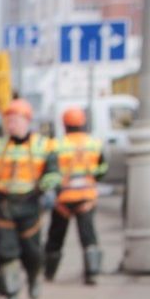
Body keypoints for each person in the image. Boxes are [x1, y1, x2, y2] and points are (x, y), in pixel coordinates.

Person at [0, 99, 61, 299]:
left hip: (29, 205)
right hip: (3, 206)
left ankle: (35, 277)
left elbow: (53, 171)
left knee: (32, 251)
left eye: (16, 120)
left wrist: (48, 184)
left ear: (27, 121)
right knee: (6, 252)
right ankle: (11, 294)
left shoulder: (43, 145)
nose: (12, 125)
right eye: (8, 120)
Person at [44, 106, 108, 285]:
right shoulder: (94, 143)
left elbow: (49, 173)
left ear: (65, 125)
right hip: (86, 197)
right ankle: (92, 273)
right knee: (88, 236)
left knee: (56, 237)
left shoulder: (56, 145)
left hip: (62, 200)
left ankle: (49, 273)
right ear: (83, 123)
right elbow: (102, 170)